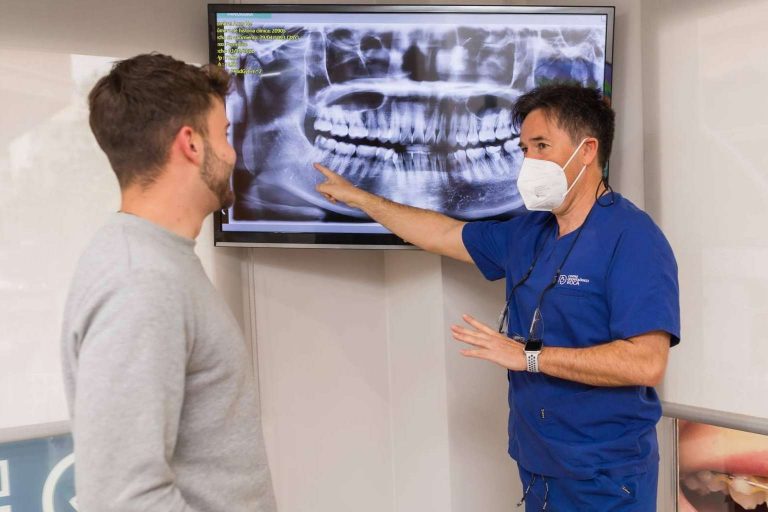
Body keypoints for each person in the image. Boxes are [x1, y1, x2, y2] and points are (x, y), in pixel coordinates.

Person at [314, 84, 680, 511]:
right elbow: (442, 233)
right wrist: (362, 199)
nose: (529, 161)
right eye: (525, 148)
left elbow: (646, 362)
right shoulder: (529, 232)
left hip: (604, 474)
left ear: (587, 150)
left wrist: (527, 355)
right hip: (539, 463)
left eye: (541, 145)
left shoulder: (634, 239)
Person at [60, 53, 276, 512]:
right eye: (224, 136)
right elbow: (123, 499)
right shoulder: (140, 281)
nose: (233, 153)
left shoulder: (156, 261)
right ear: (191, 145)